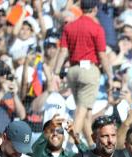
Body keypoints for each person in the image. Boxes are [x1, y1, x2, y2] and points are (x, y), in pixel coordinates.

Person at [53, 0, 114, 145]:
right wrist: (110, 75)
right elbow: (102, 55)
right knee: (82, 108)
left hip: (72, 70)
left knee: (86, 110)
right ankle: (70, 144)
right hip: (89, 70)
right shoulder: (97, 28)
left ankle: (91, 145)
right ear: (94, 9)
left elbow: (62, 51)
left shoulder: (70, 27)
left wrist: (56, 72)